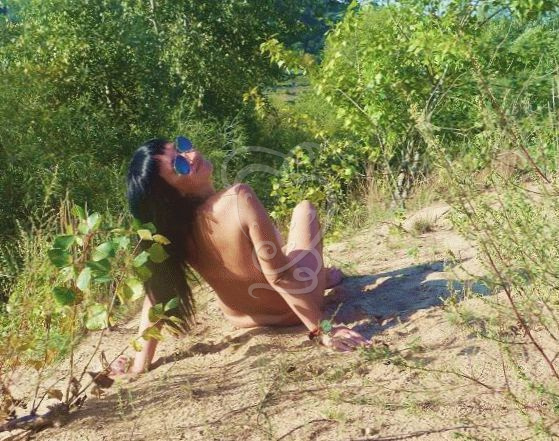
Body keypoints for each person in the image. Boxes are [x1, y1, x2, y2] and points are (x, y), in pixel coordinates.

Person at [117, 137, 369, 376]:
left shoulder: (174, 235)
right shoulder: (238, 198)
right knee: (305, 210)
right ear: (173, 194)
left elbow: (157, 294)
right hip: (293, 309)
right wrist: (324, 329)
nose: (191, 156)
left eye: (182, 147)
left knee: (272, 250)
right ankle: (320, 278)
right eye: (179, 165)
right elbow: (279, 276)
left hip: (245, 318)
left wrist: (139, 365)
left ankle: (321, 276)